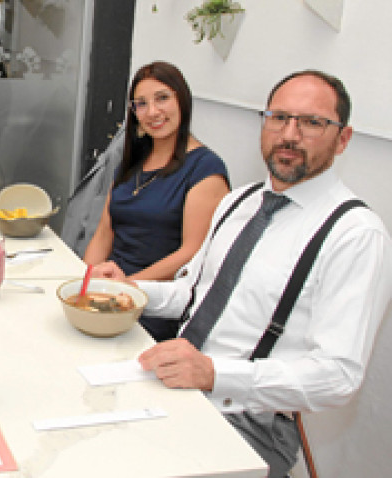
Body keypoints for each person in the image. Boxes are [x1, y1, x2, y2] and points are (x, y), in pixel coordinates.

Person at [100, 71, 392, 476]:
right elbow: (194, 293)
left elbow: (339, 376)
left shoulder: (355, 235)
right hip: (175, 383)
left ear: (343, 139)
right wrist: (131, 292)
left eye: (311, 122)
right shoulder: (239, 202)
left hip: (248, 421)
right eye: (278, 118)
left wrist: (214, 374)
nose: (289, 134)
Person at [84, 61, 230, 341]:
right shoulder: (132, 163)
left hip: (158, 304)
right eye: (141, 104)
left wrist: (129, 285)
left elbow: (192, 252)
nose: (152, 112)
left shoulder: (205, 169)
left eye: (162, 98)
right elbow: (104, 232)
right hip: (110, 292)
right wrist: (88, 281)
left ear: (182, 100)